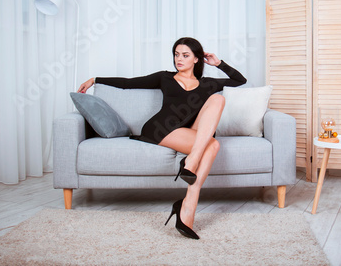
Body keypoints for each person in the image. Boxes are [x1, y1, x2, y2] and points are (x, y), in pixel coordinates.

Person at [77, 37, 247, 239]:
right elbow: (128, 83)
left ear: (196, 59)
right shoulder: (165, 78)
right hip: (160, 128)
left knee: (218, 99)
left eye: (185, 55)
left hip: (187, 130)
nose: (179, 59)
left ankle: (188, 188)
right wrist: (95, 80)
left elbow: (239, 81)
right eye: (176, 54)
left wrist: (218, 63)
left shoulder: (208, 84)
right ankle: (189, 203)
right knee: (213, 145)